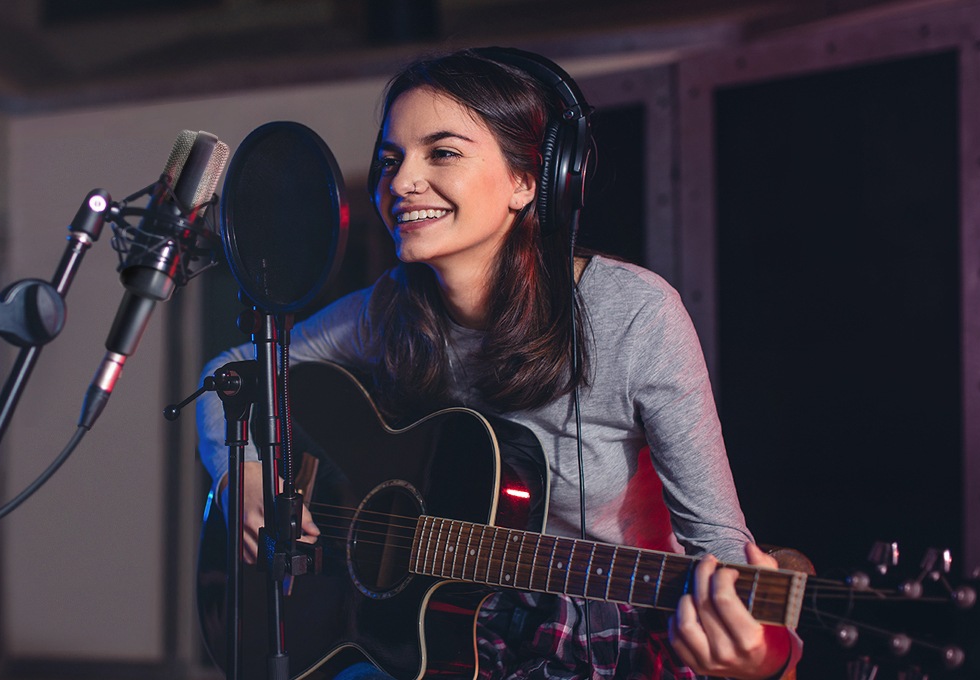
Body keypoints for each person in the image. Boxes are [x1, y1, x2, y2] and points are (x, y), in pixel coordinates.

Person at [197, 47, 799, 680]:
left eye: (443, 153)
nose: (401, 182)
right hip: (451, 628)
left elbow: (723, 549)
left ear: (530, 180)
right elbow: (235, 373)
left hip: (602, 638)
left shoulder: (634, 315)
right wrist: (241, 474)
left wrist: (761, 656)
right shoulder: (390, 309)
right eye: (391, 160)